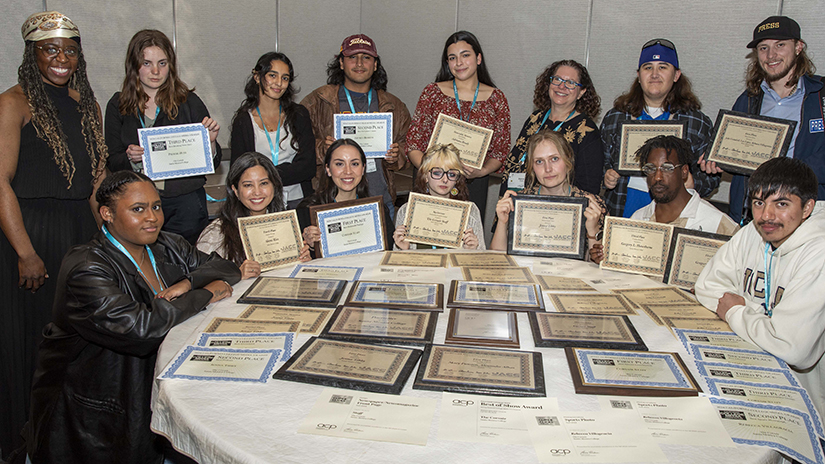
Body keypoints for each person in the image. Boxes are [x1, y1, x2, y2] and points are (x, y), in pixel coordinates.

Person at [25, 171, 240, 463]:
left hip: (150, 393)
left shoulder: (167, 244)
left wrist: (188, 283)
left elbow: (227, 269)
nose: (152, 217)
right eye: (138, 209)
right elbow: (141, 329)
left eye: (156, 206)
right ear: (107, 213)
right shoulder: (86, 267)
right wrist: (205, 294)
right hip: (97, 416)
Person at [0, 11, 109, 457]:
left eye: (69, 50)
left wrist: (110, 241)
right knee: (33, 343)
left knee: (82, 339)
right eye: (50, 49)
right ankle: (24, 441)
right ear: (32, 54)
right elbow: (0, 181)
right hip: (32, 234)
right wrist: (25, 251)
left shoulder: (88, 104)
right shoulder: (13, 102)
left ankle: (73, 436)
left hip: (81, 235)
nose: (60, 58)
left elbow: (95, 185)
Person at [695, 157, 825, 429]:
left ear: (807, 208)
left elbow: (795, 349)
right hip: (753, 379)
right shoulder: (752, 233)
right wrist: (765, 323)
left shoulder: (819, 252)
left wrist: (736, 310)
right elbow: (706, 287)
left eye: (781, 204)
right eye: (758, 202)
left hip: (809, 404)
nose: (766, 215)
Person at [702, 16, 825, 224]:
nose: (771, 55)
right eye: (763, 48)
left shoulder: (821, 95)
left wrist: (789, 174)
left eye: (780, 45)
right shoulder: (748, 99)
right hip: (753, 216)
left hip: (808, 216)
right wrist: (715, 158)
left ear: (798, 47)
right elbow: (732, 151)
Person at [105, 29, 221, 245]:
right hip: (138, 205)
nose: (156, 71)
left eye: (162, 63)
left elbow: (212, 162)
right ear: (133, 65)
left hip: (185, 204)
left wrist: (211, 143)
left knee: (188, 268)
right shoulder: (118, 105)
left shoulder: (188, 101)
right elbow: (112, 161)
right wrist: (131, 158)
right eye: (147, 63)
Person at [601, 38, 719, 218]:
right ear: (639, 76)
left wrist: (694, 183)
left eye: (663, 67)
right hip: (621, 214)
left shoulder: (697, 122)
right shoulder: (616, 117)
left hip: (674, 219)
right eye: (648, 67)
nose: (654, 74)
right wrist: (606, 177)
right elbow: (599, 162)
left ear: (676, 75)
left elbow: (711, 177)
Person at [300, 34, 410, 220]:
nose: (359, 63)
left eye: (366, 57)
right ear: (341, 63)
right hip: (331, 202)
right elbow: (297, 144)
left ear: (375, 65)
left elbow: (409, 148)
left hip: (380, 200)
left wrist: (396, 155)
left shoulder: (394, 105)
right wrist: (323, 149)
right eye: (352, 57)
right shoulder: (319, 100)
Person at [407, 30, 511, 223]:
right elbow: (414, 143)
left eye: (465, 55)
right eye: (452, 58)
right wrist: (432, 172)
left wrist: (482, 171)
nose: (459, 63)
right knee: (427, 239)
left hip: (474, 184)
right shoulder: (432, 93)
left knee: (468, 242)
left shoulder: (496, 99)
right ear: (447, 63)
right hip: (432, 184)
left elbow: (500, 150)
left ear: (478, 58)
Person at [590, 136, 738, 263]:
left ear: (684, 171)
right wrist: (605, 257)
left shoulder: (720, 226)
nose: (658, 177)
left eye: (667, 168)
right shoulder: (638, 219)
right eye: (651, 169)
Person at [491, 131, 605, 257]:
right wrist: (502, 222)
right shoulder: (518, 203)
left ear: (568, 161)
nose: (548, 169)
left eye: (554, 159)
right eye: (539, 161)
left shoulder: (592, 205)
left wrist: (592, 230)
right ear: (531, 167)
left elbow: (596, 268)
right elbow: (497, 259)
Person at [197, 152, 310, 278]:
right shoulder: (216, 233)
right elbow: (199, 280)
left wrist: (303, 262)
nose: (257, 192)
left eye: (264, 183)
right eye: (248, 185)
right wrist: (236, 275)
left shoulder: (286, 226)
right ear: (235, 190)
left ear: (274, 186)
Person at [503, 59, 603, 196]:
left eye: (571, 83)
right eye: (557, 79)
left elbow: (589, 188)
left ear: (581, 92)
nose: (562, 87)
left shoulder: (587, 131)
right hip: (514, 200)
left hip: (554, 210)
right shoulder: (535, 119)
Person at [230, 52, 315, 209]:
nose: (279, 83)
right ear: (257, 77)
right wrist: (276, 176)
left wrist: (264, 176)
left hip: (298, 199)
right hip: (259, 201)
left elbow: (307, 167)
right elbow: (239, 170)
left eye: (285, 78)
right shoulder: (243, 121)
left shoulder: (299, 114)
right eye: (272, 75)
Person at [298, 139, 393, 257]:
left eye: (354, 164)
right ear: (328, 169)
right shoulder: (307, 211)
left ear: (363, 169)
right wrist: (311, 247)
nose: (348, 171)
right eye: (339, 164)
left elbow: (386, 253)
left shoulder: (378, 211)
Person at [393, 144, 484, 250]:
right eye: (437, 173)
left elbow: (481, 259)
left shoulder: (470, 211)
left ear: (457, 180)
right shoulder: (406, 211)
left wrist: (471, 251)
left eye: (452, 174)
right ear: (425, 176)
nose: (445, 179)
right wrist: (404, 250)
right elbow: (398, 263)